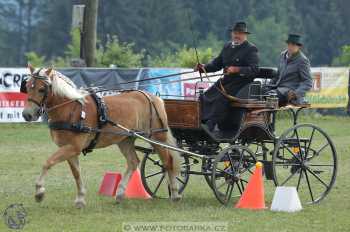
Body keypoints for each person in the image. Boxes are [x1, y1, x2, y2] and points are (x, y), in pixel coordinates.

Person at [194, 21, 259, 133]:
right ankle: (201, 121)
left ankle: (211, 124)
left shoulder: (251, 49)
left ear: (245, 35)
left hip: (242, 83)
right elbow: (217, 64)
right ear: (231, 33)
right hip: (227, 81)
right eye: (235, 33)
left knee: (221, 98)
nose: (236, 35)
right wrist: (203, 68)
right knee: (206, 96)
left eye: (239, 33)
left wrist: (237, 69)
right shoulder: (227, 46)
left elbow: (254, 70)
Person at [269, 34, 312, 106]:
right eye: (289, 44)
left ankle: (269, 117)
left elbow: (308, 82)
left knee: (270, 96)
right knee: (260, 92)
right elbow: (278, 75)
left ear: (299, 47)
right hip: (277, 88)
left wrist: (296, 93)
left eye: (294, 45)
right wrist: (269, 85)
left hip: (289, 91)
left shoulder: (302, 60)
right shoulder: (282, 55)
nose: (291, 47)